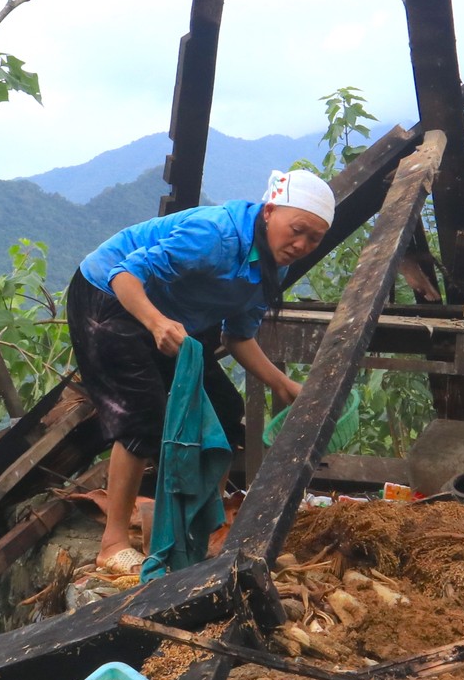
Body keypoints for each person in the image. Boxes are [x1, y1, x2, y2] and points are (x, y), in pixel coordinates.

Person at [69, 168, 334, 567]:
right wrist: (155, 323)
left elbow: (239, 336)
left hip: (168, 320)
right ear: (269, 211)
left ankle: (193, 524)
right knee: (141, 415)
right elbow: (122, 274)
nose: (301, 244)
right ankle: (113, 544)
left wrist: (281, 384)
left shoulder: (272, 266)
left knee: (225, 414)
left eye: (314, 239)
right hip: (108, 297)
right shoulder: (217, 235)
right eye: (296, 230)